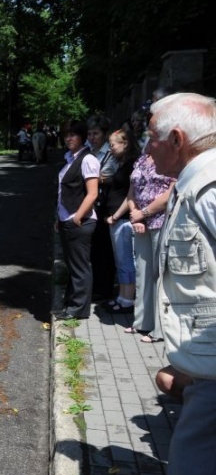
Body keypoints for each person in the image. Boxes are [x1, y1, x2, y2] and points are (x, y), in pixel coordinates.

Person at [145, 92, 216, 475]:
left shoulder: (209, 189)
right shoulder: (196, 183)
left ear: (177, 138)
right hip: (206, 375)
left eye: (151, 139)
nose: (146, 150)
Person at [114, 150, 175, 342]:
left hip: (161, 221)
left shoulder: (171, 157)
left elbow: (170, 193)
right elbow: (132, 191)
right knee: (142, 272)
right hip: (141, 222)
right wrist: (136, 215)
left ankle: (159, 329)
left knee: (159, 274)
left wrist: (145, 213)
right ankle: (142, 321)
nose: (150, 137)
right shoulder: (141, 159)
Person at [53, 120, 100, 321]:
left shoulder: (88, 160)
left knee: (80, 267)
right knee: (73, 266)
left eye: (73, 134)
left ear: (82, 137)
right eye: (66, 135)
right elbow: (63, 191)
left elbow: (92, 194)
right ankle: (72, 303)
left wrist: (78, 217)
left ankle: (78, 309)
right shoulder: (70, 159)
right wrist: (59, 217)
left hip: (80, 221)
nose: (69, 138)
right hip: (66, 219)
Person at [101, 129, 138, 313]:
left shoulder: (132, 165)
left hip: (122, 219)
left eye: (113, 144)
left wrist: (115, 215)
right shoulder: (124, 164)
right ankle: (123, 296)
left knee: (126, 262)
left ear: (125, 144)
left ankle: (127, 300)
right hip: (116, 219)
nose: (111, 148)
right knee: (121, 261)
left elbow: (131, 195)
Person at [87, 114, 116, 302]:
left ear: (105, 134)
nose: (91, 137)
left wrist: (91, 178)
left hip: (105, 205)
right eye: (89, 133)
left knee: (104, 248)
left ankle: (105, 289)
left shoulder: (110, 153)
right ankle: (95, 286)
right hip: (92, 204)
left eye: (95, 133)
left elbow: (109, 176)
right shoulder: (89, 151)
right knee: (93, 248)